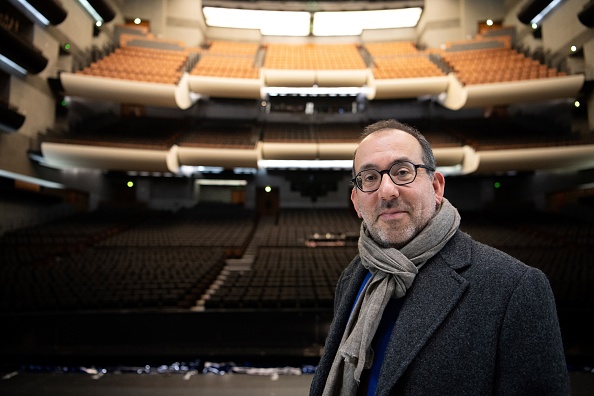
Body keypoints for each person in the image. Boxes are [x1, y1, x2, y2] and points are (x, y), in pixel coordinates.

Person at [309, 119, 570, 396]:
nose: (387, 191)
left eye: (402, 171)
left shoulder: (515, 288)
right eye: (370, 178)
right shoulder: (353, 277)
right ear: (356, 202)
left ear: (436, 187)